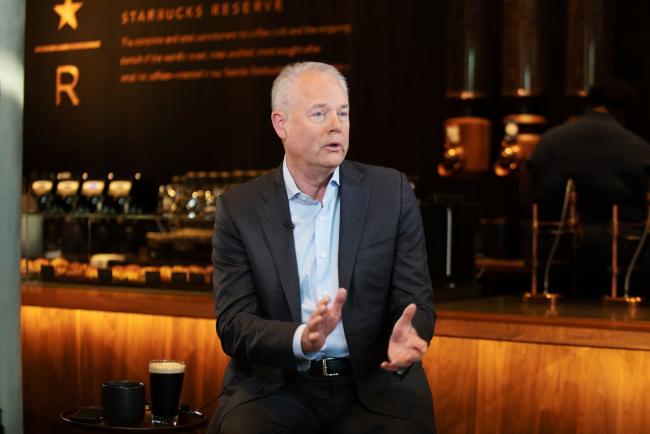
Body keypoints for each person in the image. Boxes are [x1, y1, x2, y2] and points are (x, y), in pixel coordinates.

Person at [207, 61, 436, 434]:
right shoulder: (239, 209)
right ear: (280, 124)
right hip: (277, 387)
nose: (337, 125)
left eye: (343, 113)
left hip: (374, 385)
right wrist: (302, 338)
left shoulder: (390, 193)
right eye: (320, 113)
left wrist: (411, 332)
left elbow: (416, 300)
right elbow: (233, 325)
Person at [529, 79, 650, 296]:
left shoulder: (549, 140)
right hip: (618, 255)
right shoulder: (636, 146)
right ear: (622, 112)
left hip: (553, 249)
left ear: (589, 104)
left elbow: (527, 191)